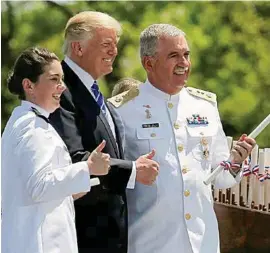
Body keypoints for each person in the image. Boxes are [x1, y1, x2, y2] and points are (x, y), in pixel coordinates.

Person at [108, 24, 256, 253]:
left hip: (202, 241)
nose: (184, 63)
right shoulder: (122, 109)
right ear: (149, 63)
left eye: (186, 55)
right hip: (150, 242)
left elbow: (221, 177)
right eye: (173, 56)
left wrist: (235, 162)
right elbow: (113, 176)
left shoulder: (205, 105)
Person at [49, 11, 159, 253]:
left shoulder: (96, 94)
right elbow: (75, 160)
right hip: (82, 236)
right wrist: (132, 170)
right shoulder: (61, 91)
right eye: (106, 44)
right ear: (78, 47)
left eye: (116, 45)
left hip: (110, 236)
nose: (114, 52)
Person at [1, 47, 111, 253]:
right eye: (54, 79)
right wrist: (87, 168)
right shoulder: (32, 126)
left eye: (62, 79)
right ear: (29, 85)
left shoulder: (24, 120)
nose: (62, 87)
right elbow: (39, 187)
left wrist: (78, 184)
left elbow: (31, 188)